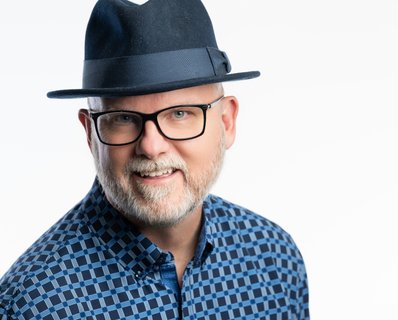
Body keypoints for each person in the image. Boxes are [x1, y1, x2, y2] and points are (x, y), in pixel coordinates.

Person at [0, 0, 309, 318]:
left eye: (180, 114)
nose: (151, 146)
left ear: (226, 122)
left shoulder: (275, 260)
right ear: (90, 133)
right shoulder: (33, 305)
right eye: (122, 118)